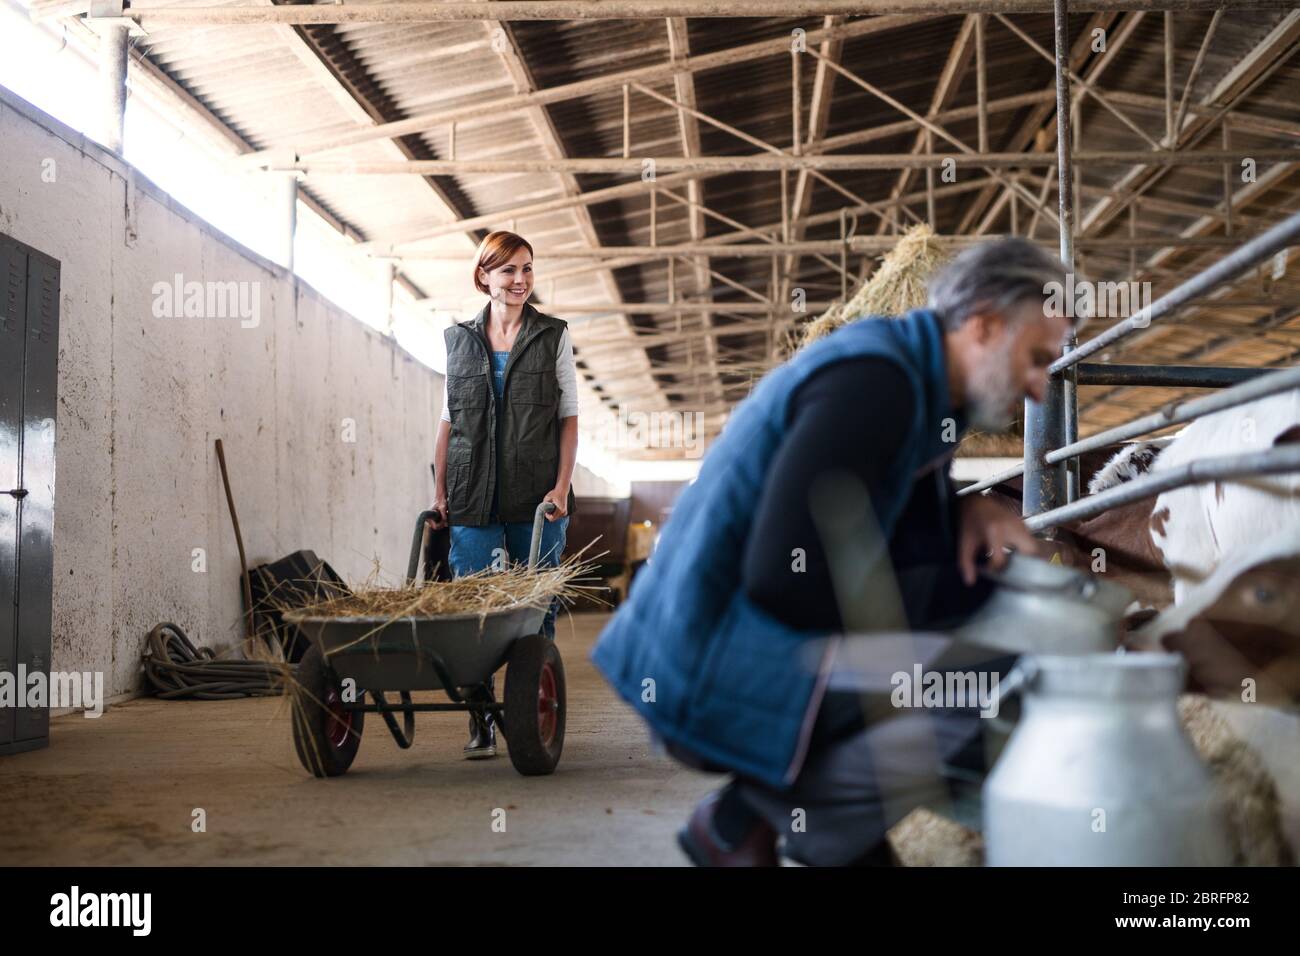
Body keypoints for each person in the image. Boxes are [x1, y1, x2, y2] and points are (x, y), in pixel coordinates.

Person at [591, 238, 1079, 865]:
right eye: (1038, 360)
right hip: (707, 660)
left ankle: (785, 830)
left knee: (973, 657)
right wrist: (974, 600)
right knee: (986, 681)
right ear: (984, 326)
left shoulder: (924, 387)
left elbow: (870, 523)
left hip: (744, 640)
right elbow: (784, 577)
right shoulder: (874, 384)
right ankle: (755, 815)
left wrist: (962, 510)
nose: (1041, 389)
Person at [430, 231, 579, 760]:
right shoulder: (458, 340)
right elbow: (450, 422)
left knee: (535, 609)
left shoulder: (553, 335)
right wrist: (441, 494)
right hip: (473, 497)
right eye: (509, 270)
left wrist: (560, 488)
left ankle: (532, 714)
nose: (520, 280)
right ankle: (481, 721)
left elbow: (568, 419)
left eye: (528, 270)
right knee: (475, 609)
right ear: (484, 276)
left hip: (536, 498)